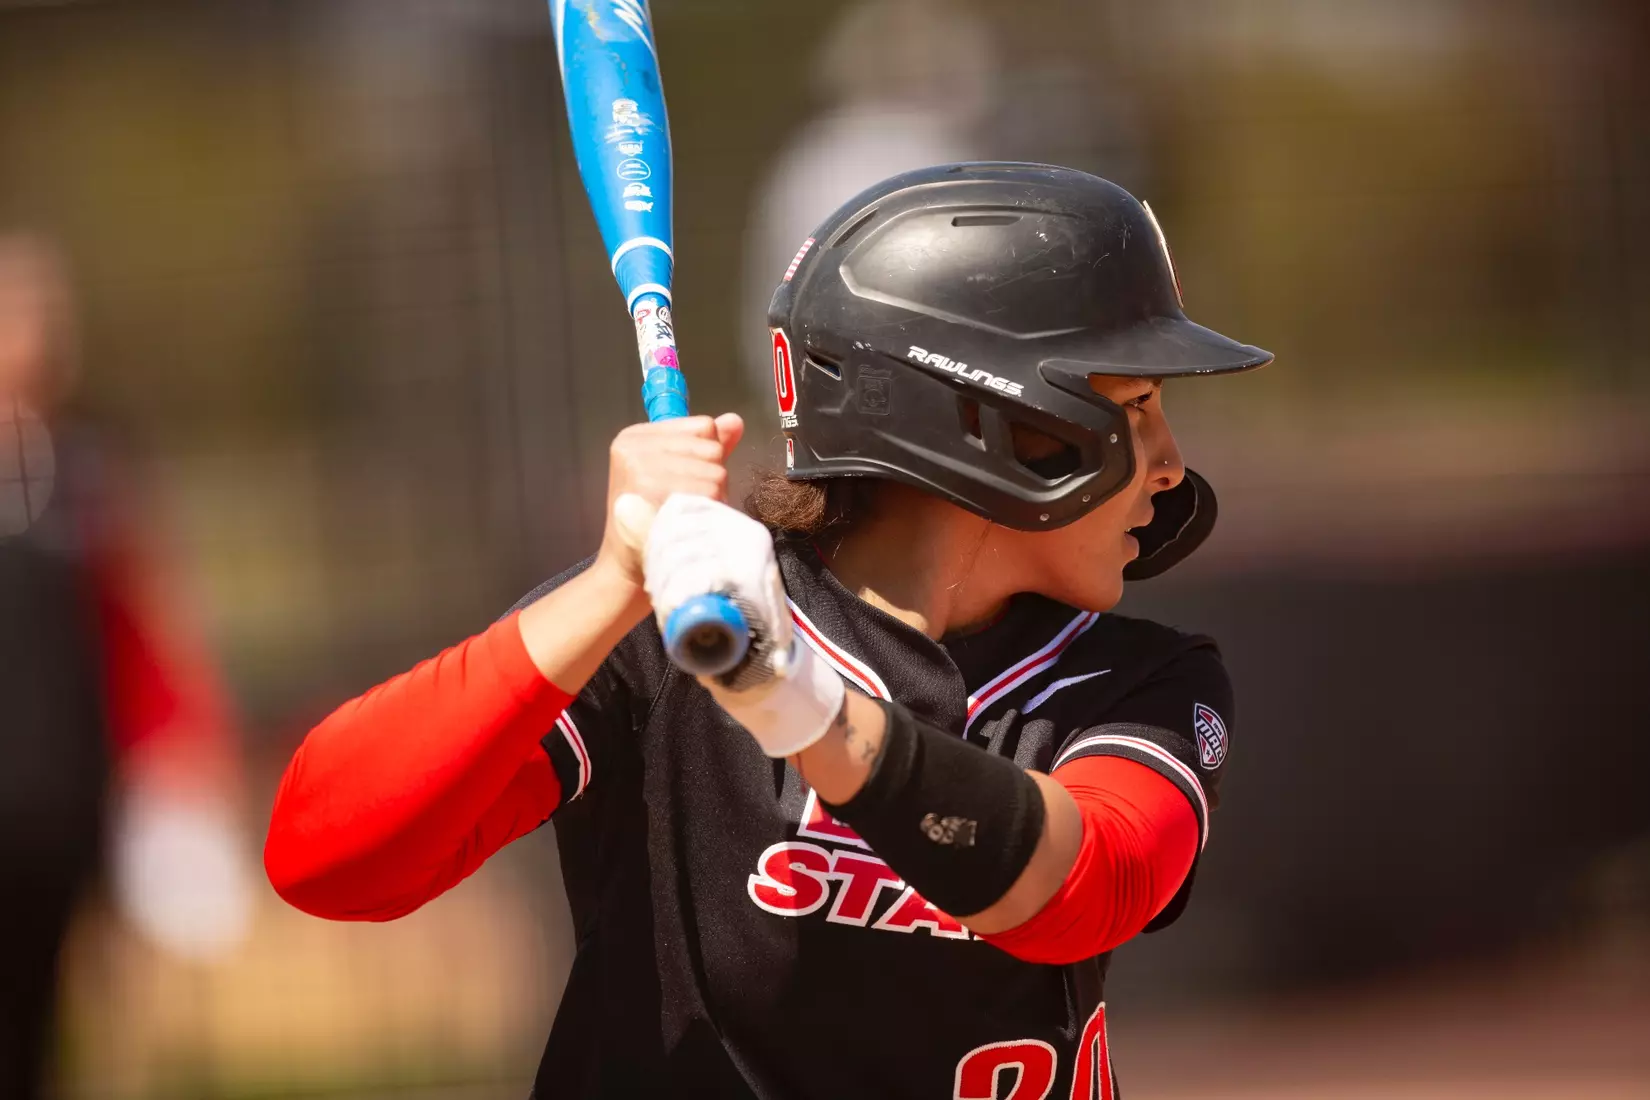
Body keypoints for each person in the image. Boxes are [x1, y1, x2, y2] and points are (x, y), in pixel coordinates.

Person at [265, 163, 1272, 1098]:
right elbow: (330, 856)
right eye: (1134, 405)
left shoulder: (1131, 684)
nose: (1170, 462)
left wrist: (797, 704)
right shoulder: (667, 633)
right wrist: (613, 583)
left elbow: (1088, 881)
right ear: (993, 423)